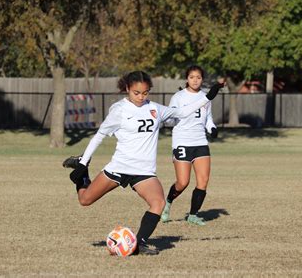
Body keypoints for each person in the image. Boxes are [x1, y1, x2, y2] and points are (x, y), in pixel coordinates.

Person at [67, 71, 224, 255]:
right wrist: (83, 164)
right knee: (85, 200)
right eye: (136, 93)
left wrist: (207, 97)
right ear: (127, 89)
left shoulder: (155, 109)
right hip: (119, 167)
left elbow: (181, 112)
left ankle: (139, 244)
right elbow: (99, 136)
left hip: (144, 171)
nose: (141, 97)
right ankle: (83, 177)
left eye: (145, 93)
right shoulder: (119, 110)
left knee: (158, 202)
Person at [160, 66, 218, 226]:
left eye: (198, 77)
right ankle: (168, 202)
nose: (195, 80)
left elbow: (208, 119)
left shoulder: (206, 97)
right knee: (182, 182)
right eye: (192, 77)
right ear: (187, 79)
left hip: (200, 142)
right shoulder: (178, 97)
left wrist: (212, 128)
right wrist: (168, 119)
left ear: (202, 79)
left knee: (203, 181)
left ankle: (193, 215)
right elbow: (170, 119)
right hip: (182, 142)